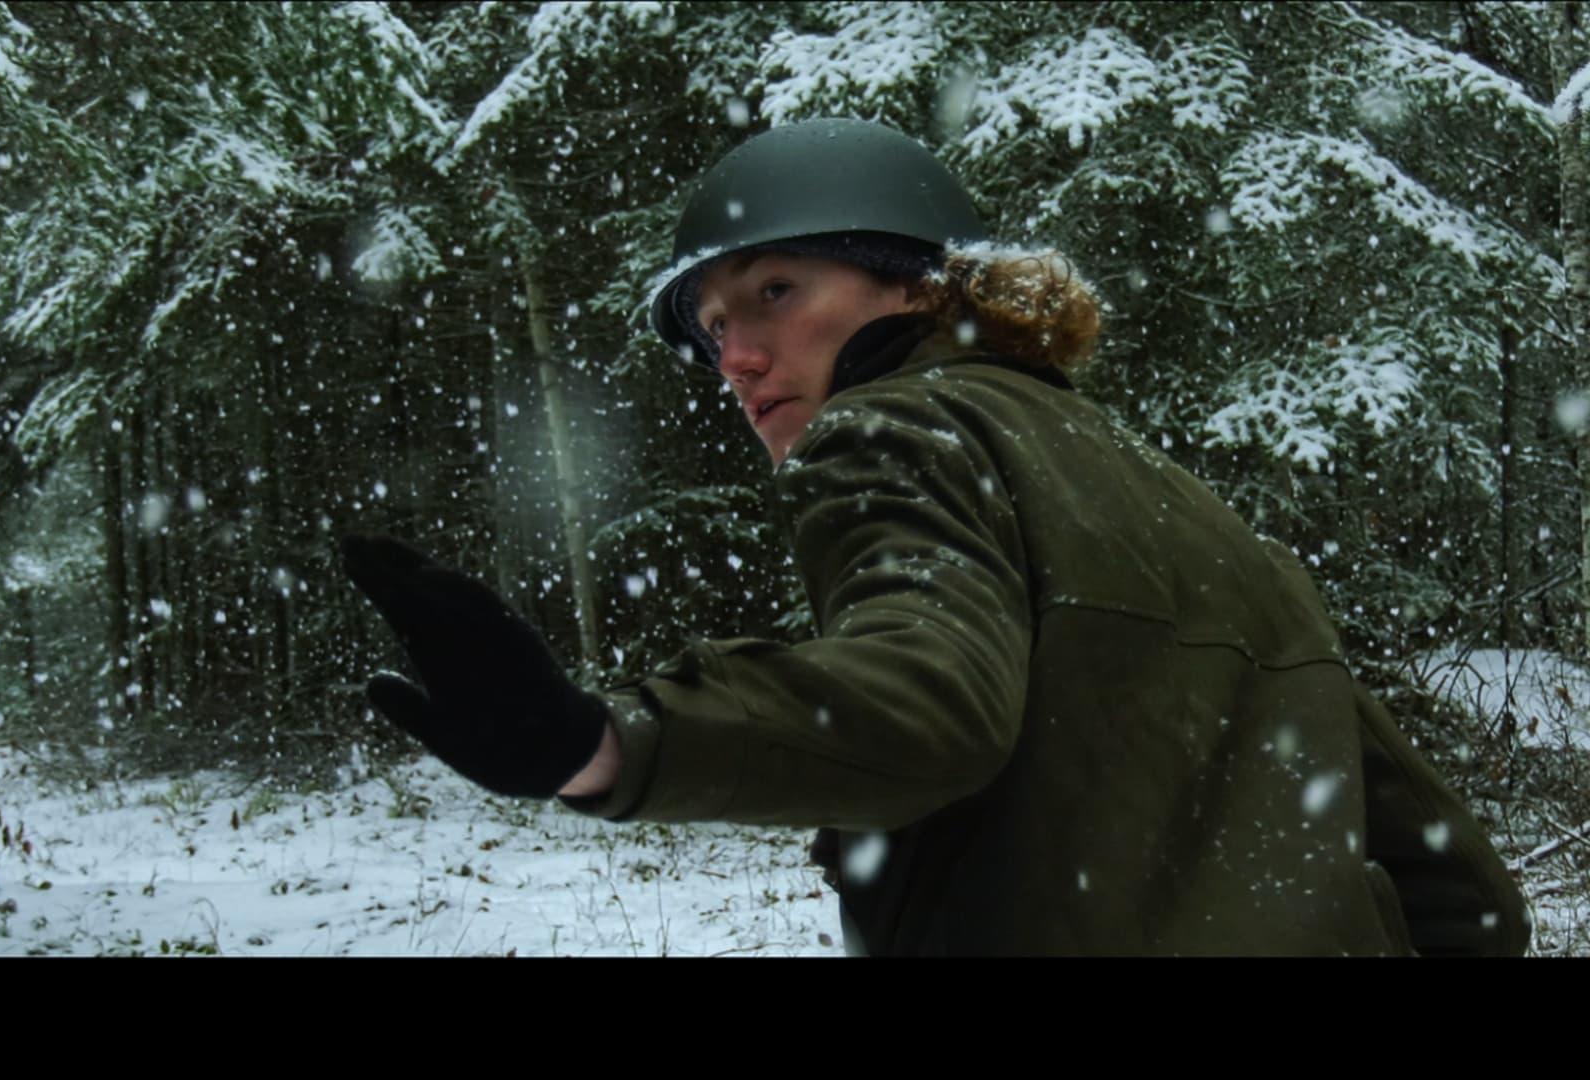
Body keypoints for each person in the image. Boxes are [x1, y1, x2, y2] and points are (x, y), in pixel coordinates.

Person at [341, 117, 1530, 956]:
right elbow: (1459, 886)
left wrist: (603, 742)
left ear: (915, 288)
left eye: (772, 293)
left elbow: (933, 705)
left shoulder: (893, 432)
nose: (736, 358)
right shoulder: (1192, 509)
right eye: (710, 332)